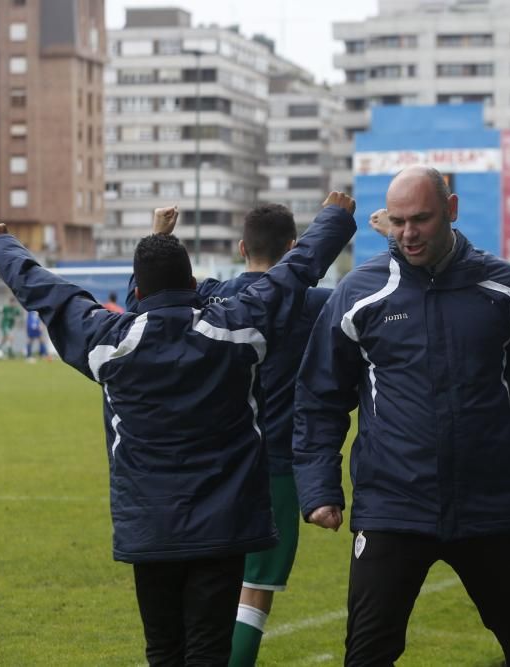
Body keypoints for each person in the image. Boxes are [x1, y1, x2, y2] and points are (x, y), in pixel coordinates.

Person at [0, 193, 356, 666]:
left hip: (150, 526)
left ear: (137, 293)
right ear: (194, 283)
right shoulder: (233, 327)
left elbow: (48, 292)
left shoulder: (109, 343)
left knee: (163, 650)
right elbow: (296, 270)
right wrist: (335, 218)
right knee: (208, 650)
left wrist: (0, 246)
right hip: (224, 522)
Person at [293, 165, 510, 666]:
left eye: (421, 219)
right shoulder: (359, 293)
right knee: (368, 653)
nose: (407, 233)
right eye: (397, 221)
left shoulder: (502, 288)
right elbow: (319, 396)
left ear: (452, 210)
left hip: (489, 505)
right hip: (393, 505)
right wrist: (319, 488)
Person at [133, 202, 334, 667]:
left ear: (242, 247)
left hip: (217, 463)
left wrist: (158, 236)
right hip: (279, 461)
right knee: (255, 591)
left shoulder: (210, 298)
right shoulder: (314, 303)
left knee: (208, 589)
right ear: (293, 249)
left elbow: (149, 302)